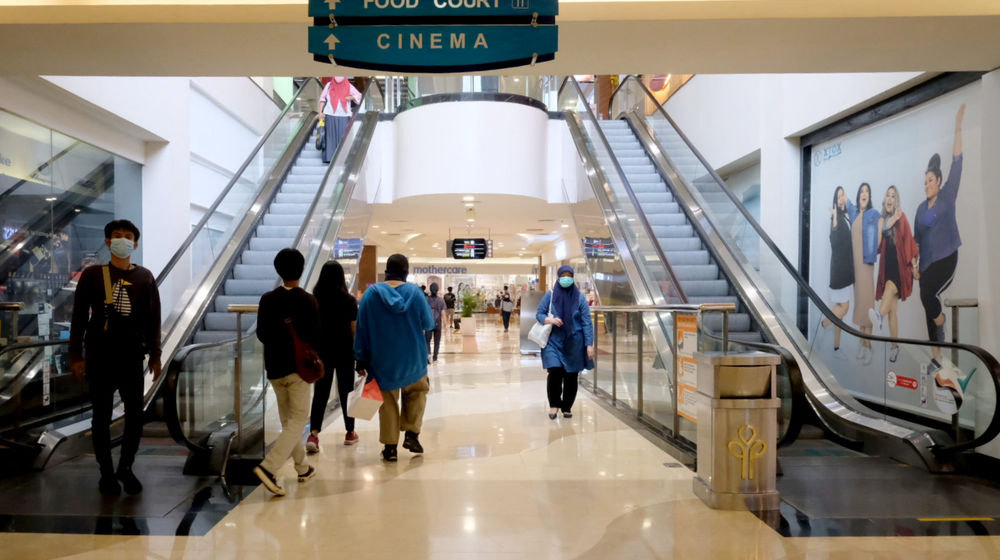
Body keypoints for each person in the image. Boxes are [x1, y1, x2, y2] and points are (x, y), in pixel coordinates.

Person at [69, 219, 161, 496]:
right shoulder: (93, 275)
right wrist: (76, 354)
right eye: (117, 236)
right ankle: (106, 472)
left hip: (132, 357)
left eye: (128, 236)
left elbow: (152, 319)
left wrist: (155, 356)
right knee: (101, 416)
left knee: (135, 416)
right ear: (108, 242)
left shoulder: (145, 277)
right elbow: (78, 318)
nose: (123, 240)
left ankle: (126, 467)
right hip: (100, 356)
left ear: (135, 243)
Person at [354, 254, 435, 462]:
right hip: (413, 359)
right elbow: (428, 324)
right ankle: (411, 434)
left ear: (387, 271)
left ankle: (390, 448)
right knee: (417, 393)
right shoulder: (415, 293)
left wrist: (360, 358)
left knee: (388, 402)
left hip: (381, 361)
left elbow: (361, 329)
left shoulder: (370, 295)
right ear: (405, 272)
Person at [253, 248, 320, 496]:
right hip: (299, 369)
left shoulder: (267, 299)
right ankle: (269, 468)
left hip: (274, 368)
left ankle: (302, 468)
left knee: (288, 420)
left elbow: (261, 334)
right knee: (298, 420)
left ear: (278, 270)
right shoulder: (308, 300)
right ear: (301, 270)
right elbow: (315, 336)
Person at [913, 104, 965, 401]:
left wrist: (958, 126)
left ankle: (942, 325)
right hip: (929, 261)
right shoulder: (921, 209)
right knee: (924, 297)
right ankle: (937, 354)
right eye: (924, 182)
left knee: (928, 294)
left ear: (939, 182)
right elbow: (919, 240)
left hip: (948, 258)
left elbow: (958, 160)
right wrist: (918, 265)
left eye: (930, 181)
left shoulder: (948, 195)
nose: (926, 185)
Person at [307, 260, 359, 452]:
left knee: (320, 393)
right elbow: (354, 329)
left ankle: (313, 435)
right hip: (345, 351)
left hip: (322, 352)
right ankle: (350, 432)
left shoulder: (314, 299)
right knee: (347, 392)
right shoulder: (349, 300)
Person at [536, 265, 594, 420]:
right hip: (553, 341)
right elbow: (539, 314)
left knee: (571, 376)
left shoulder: (580, 297)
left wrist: (589, 344)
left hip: (574, 343)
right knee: (554, 372)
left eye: (569, 275)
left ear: (573, 278)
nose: (566, 278)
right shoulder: (550, 295)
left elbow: (587, 322)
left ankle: (566, 406)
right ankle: (554, 405)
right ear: (559, 277)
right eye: (563, 275)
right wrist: (550, 320)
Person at [869, 186, 918, 363]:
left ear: (896, 200)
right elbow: (877, 244)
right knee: (893, 312)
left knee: (890, 288)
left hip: (900, 270)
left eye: (893, 196)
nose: (890, 198)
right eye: (887, 195)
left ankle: (878, 316)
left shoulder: (901, 217)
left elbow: (909, 241)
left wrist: (914, 266)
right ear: (884, 200)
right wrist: (889, 220)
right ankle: (895, 347)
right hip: (886, 268)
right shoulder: (882, 221)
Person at [817, 186, 854, 359]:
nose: (841, 199)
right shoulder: (836, 218)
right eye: (838, 196)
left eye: (843, 196)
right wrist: (834, 219)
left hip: (842, 269)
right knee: (844, 307)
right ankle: (824, 324)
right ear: (835, 200)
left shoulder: (844, 216)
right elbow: (834, 239)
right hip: (841, 272)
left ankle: (837, 347)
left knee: (839, 308)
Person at [851, 182, 880, 363]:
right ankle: (862, 344)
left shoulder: (873, 214)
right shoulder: (855, 214)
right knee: (860, 305)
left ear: (869, 196)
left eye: (867, 191)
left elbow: (879, 234)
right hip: (856, 267)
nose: (864, 193)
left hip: (866, 265)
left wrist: (873, 251)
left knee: (867, 304)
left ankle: (868, 346)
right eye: (861, 191)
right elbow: (846, 202)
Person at [319, 76, 362, 163]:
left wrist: (351, 98)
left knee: (343, 138)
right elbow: (322, 99)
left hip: (344, 115)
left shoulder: (349, 86)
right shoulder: (329, 85)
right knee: (330, 137)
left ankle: (342, 158)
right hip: (330, 114)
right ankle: (329, 158)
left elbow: (359, 95)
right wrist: (320, 112)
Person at [425, 283, 446, 363]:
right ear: (438, 290)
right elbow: (443, 313)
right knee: (437, 341)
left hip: (428, 323)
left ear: (430, 289)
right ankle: (435, 358)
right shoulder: (441, 300)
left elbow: (423, 312)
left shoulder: (426, 299)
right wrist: (446, 325)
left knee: (427, 340)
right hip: (438, 324)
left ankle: (428, 355)